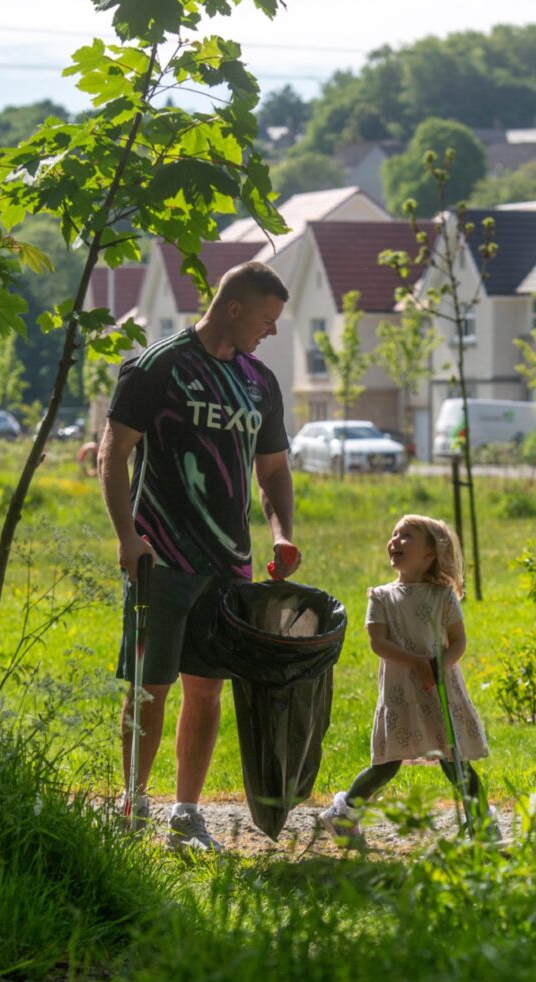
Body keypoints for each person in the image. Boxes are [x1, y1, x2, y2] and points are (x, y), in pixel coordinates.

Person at [98, 261, 301, 852]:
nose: (272, 331)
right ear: (233, 308)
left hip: (228, 564)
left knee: (207, 690)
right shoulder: (156, 366)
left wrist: (280, 532)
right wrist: (126, 536)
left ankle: (186, 813)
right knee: (148, 689)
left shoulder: (260, 382)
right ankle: (134, 806)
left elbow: (275, 469)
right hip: (158, 559)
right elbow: (113, 455)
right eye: (267, 319)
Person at [319, 515, 493, 843]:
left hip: (440, 689)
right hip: (402, 692)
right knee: (388, 760)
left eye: (407, 536)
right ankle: (343, 814)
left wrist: (440, 667)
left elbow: (458, 641)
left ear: (430, 553)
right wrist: (417, 663)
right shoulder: (381, 597)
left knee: (454, 758)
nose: (396, 541)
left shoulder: (443, 596)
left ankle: (481, 822)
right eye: (395, 534)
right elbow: (378, 643)